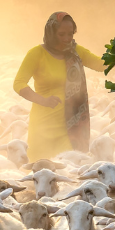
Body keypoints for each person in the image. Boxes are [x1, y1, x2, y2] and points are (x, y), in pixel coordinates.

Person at [13, 11, 105, 160]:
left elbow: (101, 65)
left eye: (70, 34)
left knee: (71, 168)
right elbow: (18, 83)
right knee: (42, 171)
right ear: (51, 32)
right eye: (61, 34)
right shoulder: (37, 54)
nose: (67, 39)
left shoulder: (75, 51)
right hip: (43, 126)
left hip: (71, 126)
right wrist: (43, 100)